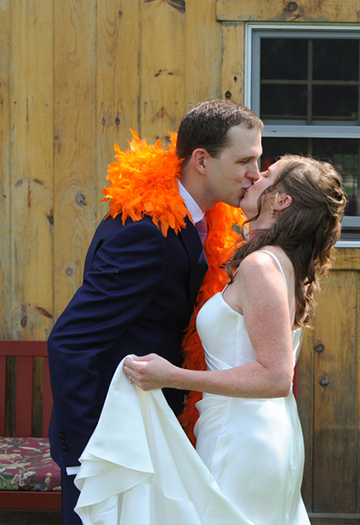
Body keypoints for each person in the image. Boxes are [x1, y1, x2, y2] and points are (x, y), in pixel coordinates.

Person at [72, 155, 347, 524]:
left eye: (265, 175)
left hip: (243, 436)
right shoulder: (281, 262)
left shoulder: (261, 267)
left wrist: (171, 376)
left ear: (282, 200)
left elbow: (276, 377)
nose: (254, 177)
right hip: (253, 429)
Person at [47, 100, 263, 525]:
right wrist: (83, 457)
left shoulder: (201, 221)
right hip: (115, 445)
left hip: (158, 430)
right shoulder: (145, 233)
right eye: (245, 161)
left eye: (258, 160)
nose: (256, 173)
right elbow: (71, 341)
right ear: (201, 160)